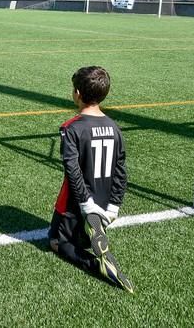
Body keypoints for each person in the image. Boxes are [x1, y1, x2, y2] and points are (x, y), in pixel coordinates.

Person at [49, 66, 134, 293]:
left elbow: (72, 170)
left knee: (57, 242)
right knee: (78, 235)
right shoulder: (115, 128)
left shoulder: (71, 128)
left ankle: (97, 265)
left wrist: (86, 205)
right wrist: (113, 207)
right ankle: (95, 230)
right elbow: (120, 171)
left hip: (77, 207)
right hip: (104, 207)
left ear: (77, 93)